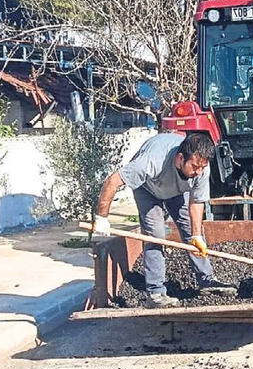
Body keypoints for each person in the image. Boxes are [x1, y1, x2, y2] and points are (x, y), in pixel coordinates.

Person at [93, 132, 235, 308]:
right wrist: (101, 218)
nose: (198, 172)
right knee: (156, 235)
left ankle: (207, 280)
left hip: (177, 190)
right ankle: (156, 292)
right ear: (180, 158)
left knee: (192, 231)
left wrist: (196, 235)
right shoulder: (150, 162)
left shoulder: (200, 170)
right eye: (195, 166)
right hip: (147, 189)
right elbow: (112, 182)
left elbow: (197, 201)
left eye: (202, 167)